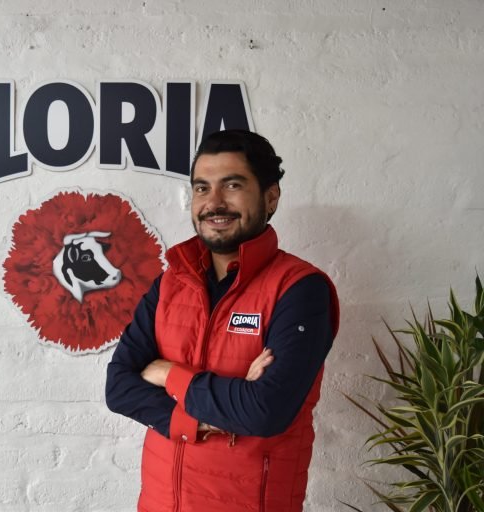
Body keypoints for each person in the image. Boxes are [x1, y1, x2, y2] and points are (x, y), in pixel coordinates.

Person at [105, 129, 339, 512]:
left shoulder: (301, 289)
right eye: (202, 188)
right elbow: (119, 386)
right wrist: (204, 419)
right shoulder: (170, 283)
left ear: (271, 197)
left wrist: (168, 374)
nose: (213, 202)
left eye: (232, 185)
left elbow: (265, 411)